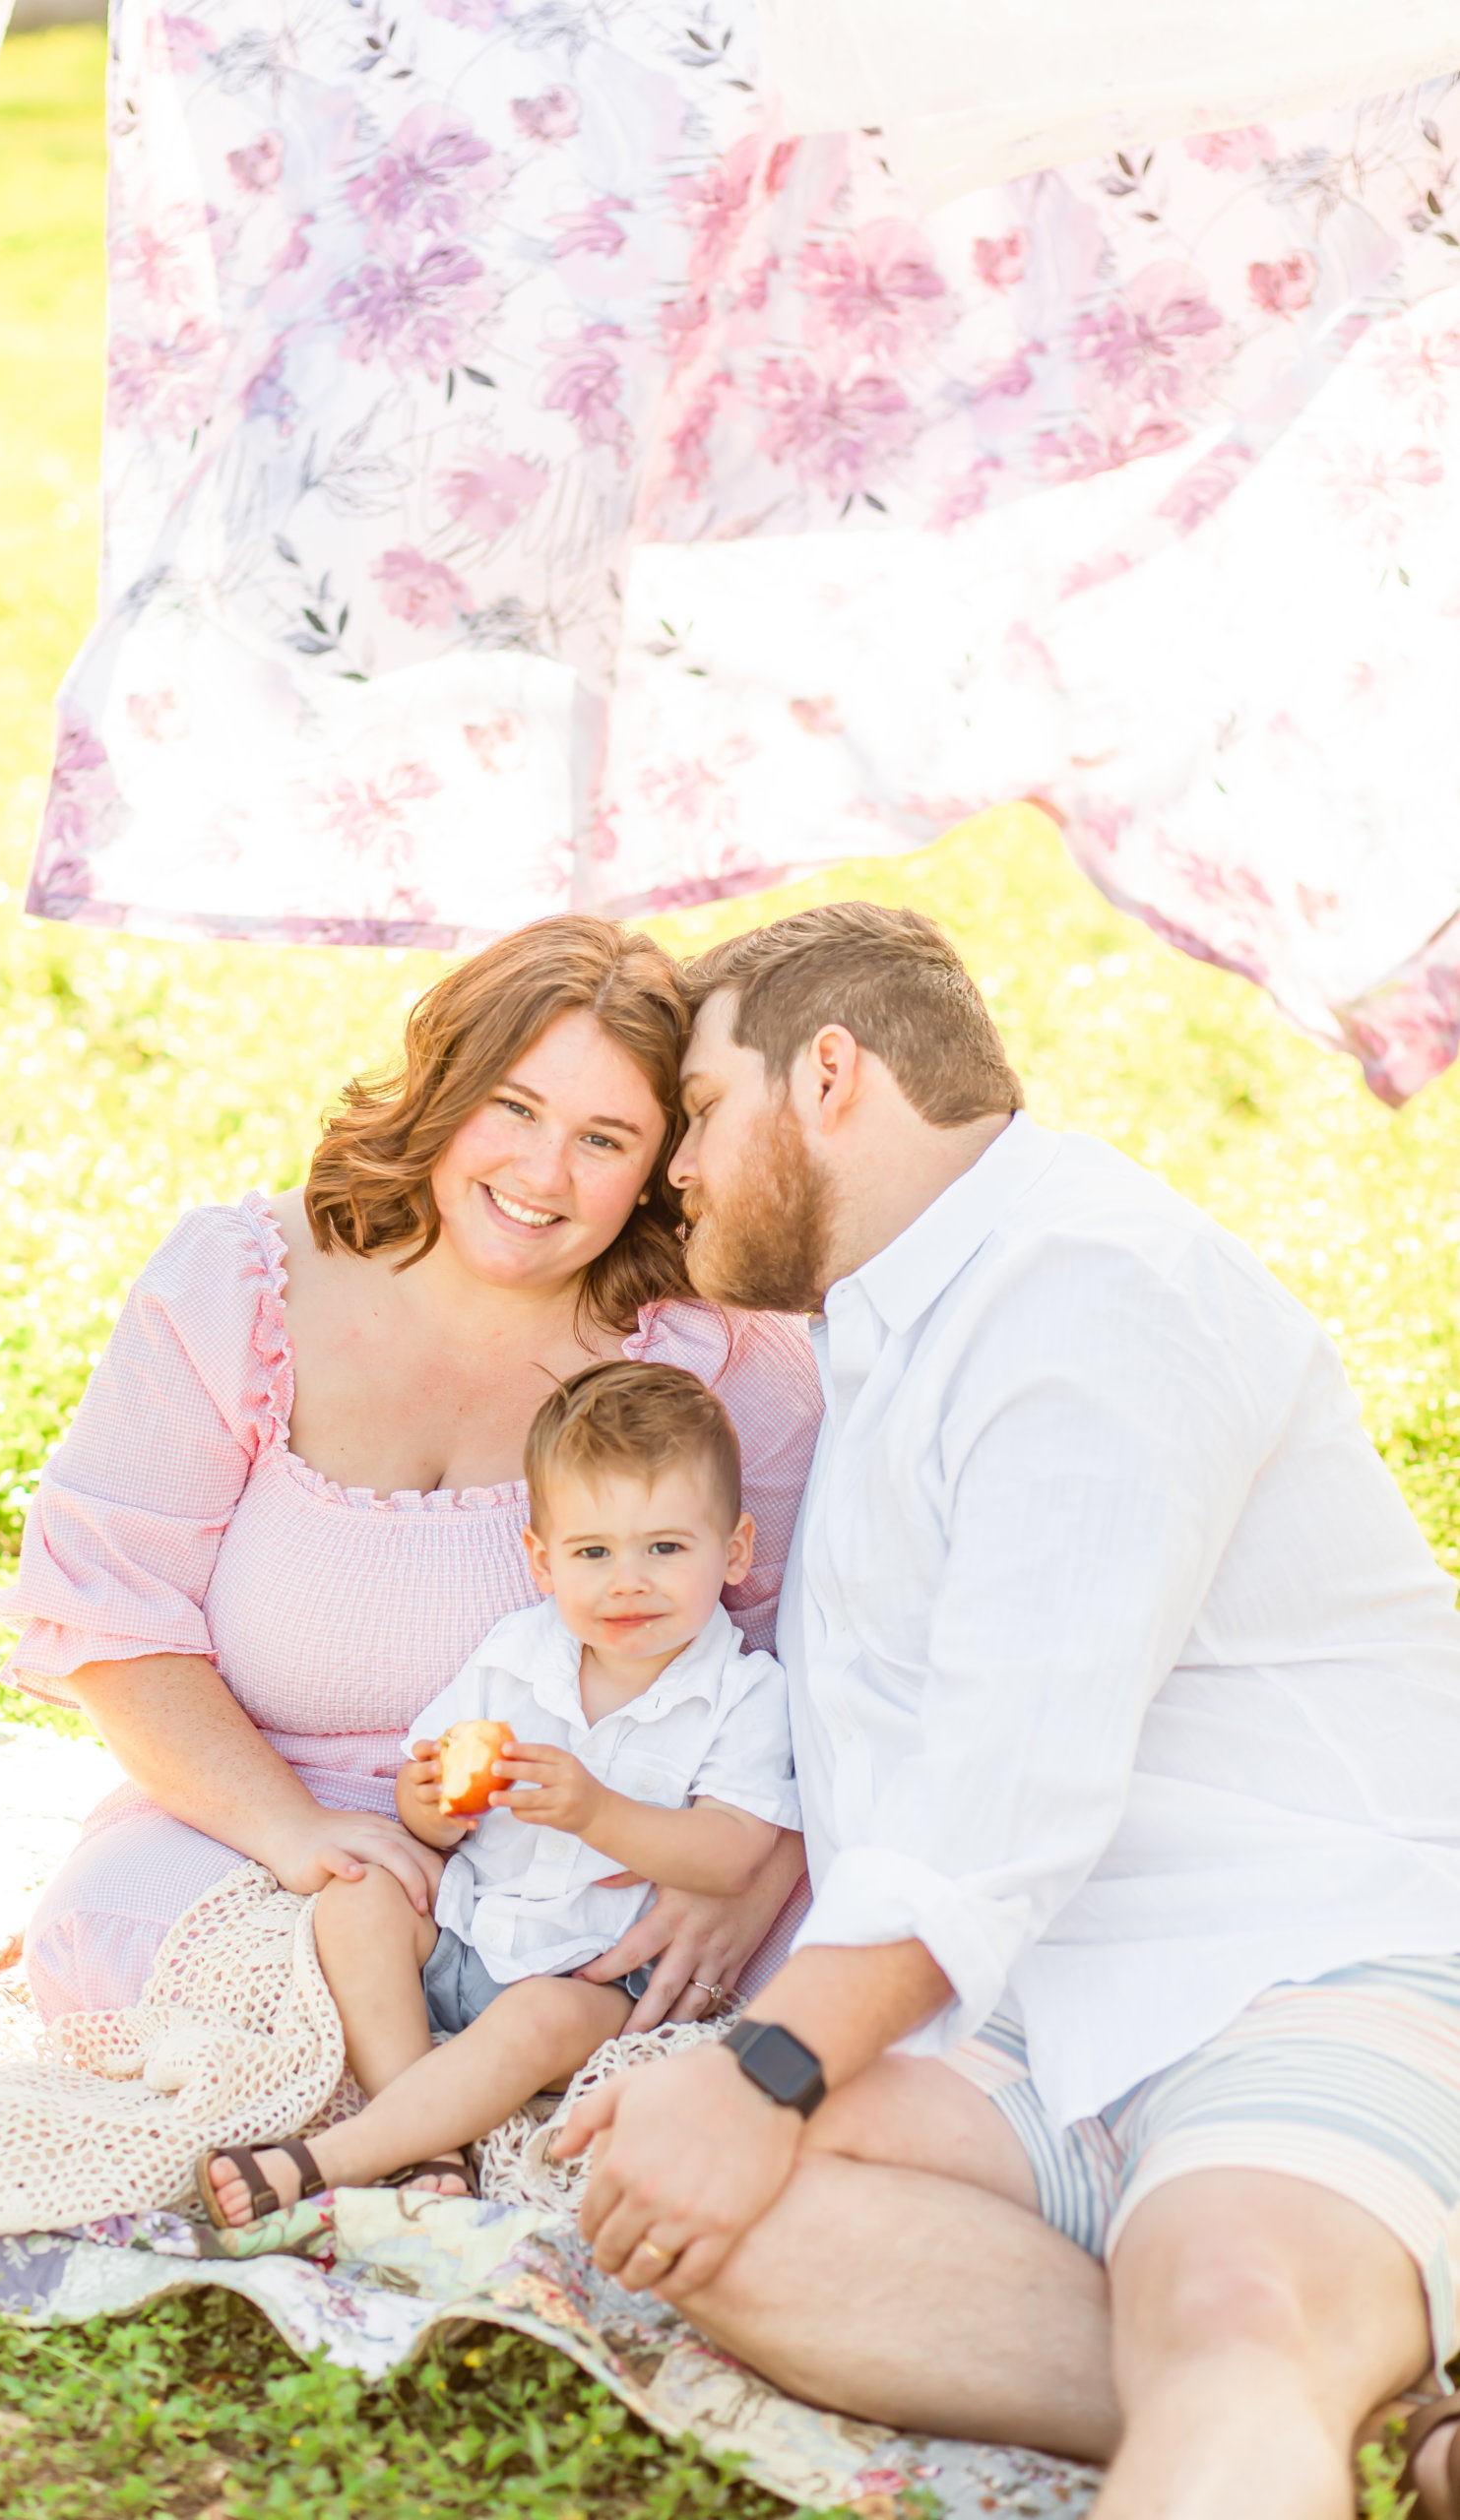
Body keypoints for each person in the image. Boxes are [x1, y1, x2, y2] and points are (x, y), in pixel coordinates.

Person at [553, 900, 1460, 2520]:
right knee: (678, 2199)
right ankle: (1365, 2414)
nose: (672, 1172)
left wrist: (763, 2064)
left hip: (1289, 1956)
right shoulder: (905, 1314)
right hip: (1030, 2008)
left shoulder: (1090, 1303)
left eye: (696, 1111)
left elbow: (1005, 1793)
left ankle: (1260, 2361)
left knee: (1229, 2307)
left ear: (829, 1075)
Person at [0, 917, 820, 2042]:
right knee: (117, 1933)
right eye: (515, 1107)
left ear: (660, 1165)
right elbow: (112, 1611)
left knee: (806, 1998)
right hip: (267, 1820)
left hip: (610, 1854)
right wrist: (295, 1833)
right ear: (444, 1088)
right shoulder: (241, 1286)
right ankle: (438, 2087)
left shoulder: (717, 1354)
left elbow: (810, 1653)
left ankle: (467, 2074)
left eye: (604, 1137)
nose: (542, 1174)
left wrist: (750, 1875)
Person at [198, 1359, 796, 2229]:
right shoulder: (517, 1652)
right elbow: (429, 1812)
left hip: (591, 1975)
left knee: (532, 2020)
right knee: (355, 1901)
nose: (627, 1581)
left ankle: (336, 2158)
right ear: (541, 1561)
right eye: (593, 1553)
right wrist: (432, 1803)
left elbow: (734, 1852)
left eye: (665, 1548)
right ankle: (431, 2139)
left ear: (733, 1549)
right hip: (472, 1926)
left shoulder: (745, 1695)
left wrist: (600, 1813)